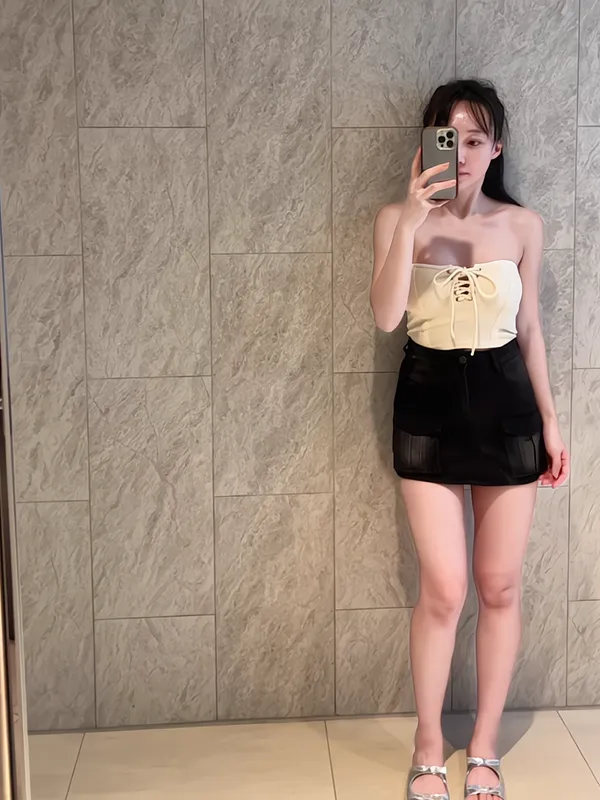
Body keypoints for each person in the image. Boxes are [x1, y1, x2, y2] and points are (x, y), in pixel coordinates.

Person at [370, 79, 569, 800]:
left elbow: (531, 329)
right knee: (445, 588)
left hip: (507, 406)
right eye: (449, 138)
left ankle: (483, 747)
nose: (463, 154)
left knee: (500, 585)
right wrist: (409, 220)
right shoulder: (398, 218)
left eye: (476, 139)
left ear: (497, 148)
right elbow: (386, 316)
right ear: (428, 143)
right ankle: (429, 745)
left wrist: (551, 422)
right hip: (426, 403)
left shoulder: (523, 226)